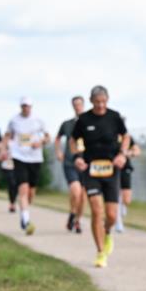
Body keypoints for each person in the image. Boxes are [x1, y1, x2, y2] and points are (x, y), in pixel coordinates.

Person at [70, 86, 130, 268]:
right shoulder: (84, 119)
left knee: (111, 215)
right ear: (91, 101)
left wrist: (122, 154)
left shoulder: (114, 116)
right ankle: (100, 252)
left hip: (111, 170)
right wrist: (77, 157)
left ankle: (108, 231)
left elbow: (126, 136)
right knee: (96, 210)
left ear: (107, 100)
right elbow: (73, 140)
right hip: (91, 170)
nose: (100, 105)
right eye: (97, 102)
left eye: (103, 101)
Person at [4, 97, 49, 235]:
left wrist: (40, 142)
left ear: (31, 107)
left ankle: (25, 210)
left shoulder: (38, 120)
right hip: (19, 157)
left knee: (30, 193)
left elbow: (48, 137)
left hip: (35, 158)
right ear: (20, 107)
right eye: (23, 106)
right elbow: (7, 136)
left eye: (28, 106)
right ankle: (25, 219)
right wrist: (6, 149)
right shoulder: (14, 121)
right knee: (23, 189)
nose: (26, 108)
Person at [56, 96, 86, 234]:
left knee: (83, 196)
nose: (77, 107)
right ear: (72, 106)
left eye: (80, 104)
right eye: (75, 105)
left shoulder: (90, 122)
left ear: (83, 105)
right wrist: (59, 152)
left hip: (86, 163)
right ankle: (73, 212)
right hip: (70, 162)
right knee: (76, 191)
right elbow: (57, 138)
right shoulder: (67, 124)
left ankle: (77, 220)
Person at [115, 128, 139, 233]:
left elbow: (137, 151)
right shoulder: (108, 135)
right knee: (116, 195)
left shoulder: (127, 137)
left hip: (125, 168)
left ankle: (123, 206)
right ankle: (118, 222)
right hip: (112, 168)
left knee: (127, 199)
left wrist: (128, 153)